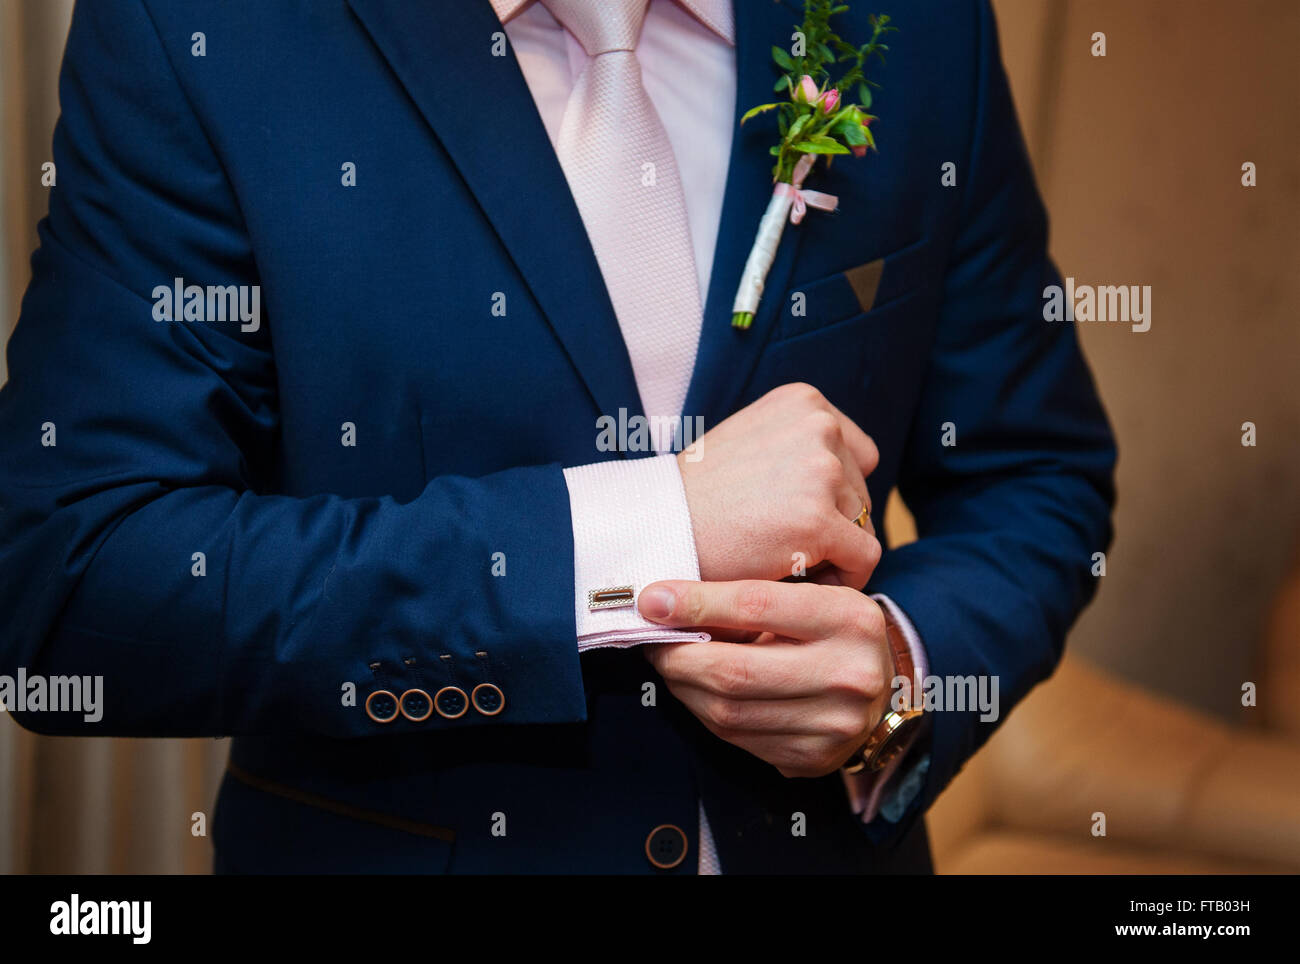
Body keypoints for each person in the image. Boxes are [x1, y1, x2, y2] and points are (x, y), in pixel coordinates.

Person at [0, 0, 1115, 874]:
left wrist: (901, 680)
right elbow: (79, 571)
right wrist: (646, 532)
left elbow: (1035, 474)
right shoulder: (201, 31)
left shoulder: (917, 25)